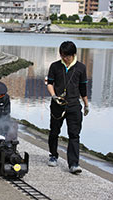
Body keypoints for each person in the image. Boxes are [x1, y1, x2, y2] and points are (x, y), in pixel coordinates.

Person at [47, 41, 89, 174]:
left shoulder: (81, 67)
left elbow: (83, 88)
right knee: (54, 132)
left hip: (74, 105)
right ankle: (53, 155)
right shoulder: (55, 66)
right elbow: (50, 83)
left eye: (67, 56)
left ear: (73, 54)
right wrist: (54, 96)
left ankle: (74, 163)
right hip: (57, 105)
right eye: (62, 55)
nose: (64, 58)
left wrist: (86, 104)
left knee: (74, 134)